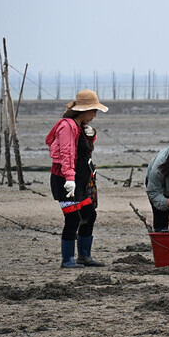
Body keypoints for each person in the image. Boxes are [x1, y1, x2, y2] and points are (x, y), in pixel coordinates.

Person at [45, 89, 109, 268]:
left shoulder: (80, 126)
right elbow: (66, 153)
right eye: (93, 110)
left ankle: (84, 256)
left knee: (90, 215)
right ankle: (67, 260)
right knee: (73, 219)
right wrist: (69, 179)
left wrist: (91, 135)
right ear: (83, 109)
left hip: (81, 181)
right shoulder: (66, 126)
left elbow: (83, 148)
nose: (95, 114)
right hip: (65, 181)